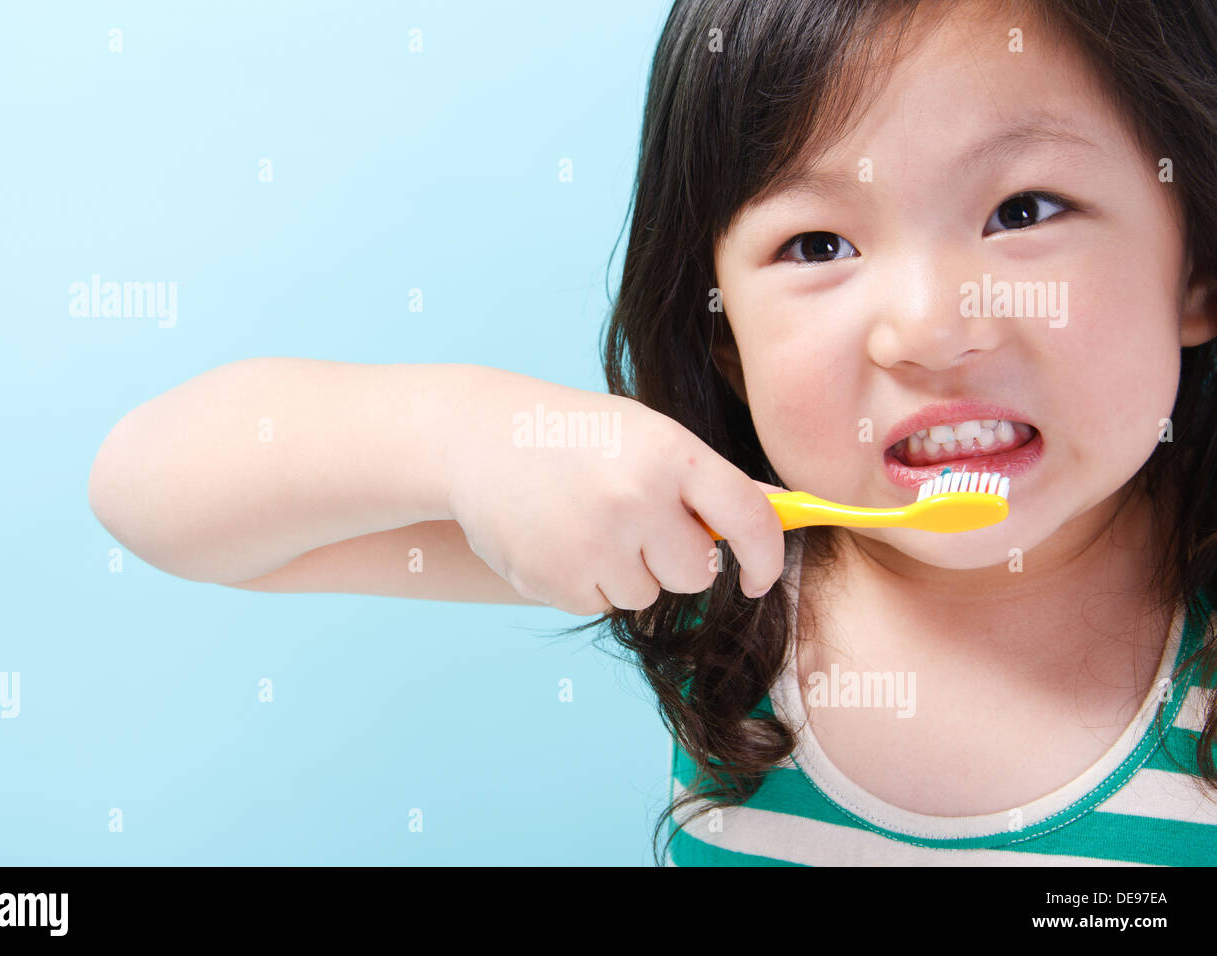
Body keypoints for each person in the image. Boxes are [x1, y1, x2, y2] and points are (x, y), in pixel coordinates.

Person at [88, 0, 1217, 865]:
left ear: (1196, 266)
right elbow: (150, 494)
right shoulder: (707, 554)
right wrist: (470, 438)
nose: (926, 329)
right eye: (817, 245)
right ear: (724, 339)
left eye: (1023, 212)